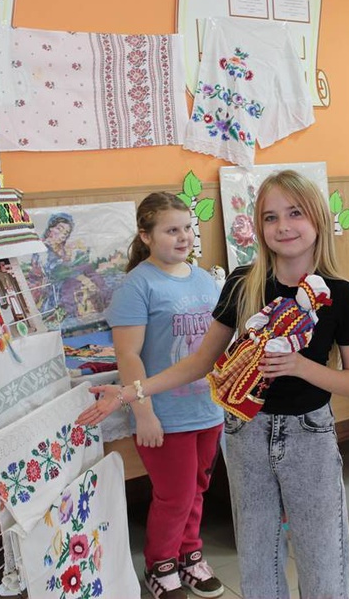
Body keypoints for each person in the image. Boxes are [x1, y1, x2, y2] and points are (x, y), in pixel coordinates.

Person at [78, 170, 349, 599]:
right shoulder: (242, 282)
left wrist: (300, 366)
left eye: (295, 213)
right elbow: (200, 362)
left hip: (309, 436)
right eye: (270, 217)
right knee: (258, 557)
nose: (283, 226)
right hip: (246, 434)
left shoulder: (339, 293)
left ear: (318, 219)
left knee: (322, 554)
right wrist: (129, 393)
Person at [108, 192, 224, 599]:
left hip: (207, 408)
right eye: (171, 230)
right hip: (165, 413)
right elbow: (128, 356)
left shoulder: (204, 279)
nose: (184, 237)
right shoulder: (136, 286)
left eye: (188, 228)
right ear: (146, 236)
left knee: (198, 488)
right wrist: (144, 414)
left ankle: (189, 554)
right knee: (174, 495)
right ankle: (160, 564)